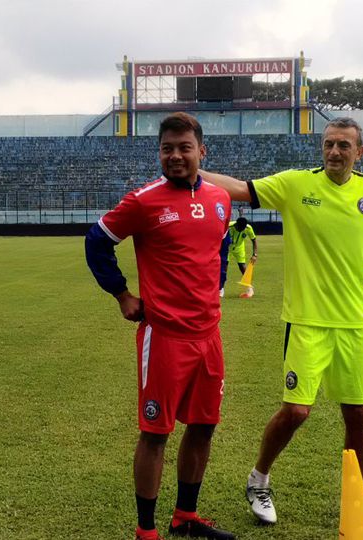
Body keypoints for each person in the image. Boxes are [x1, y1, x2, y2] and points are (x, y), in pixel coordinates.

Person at [200, 117, 363, 534]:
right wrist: (191, 167)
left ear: (361, 152)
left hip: (353, 324)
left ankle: (357, 499)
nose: (334, 152)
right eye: (328, 144)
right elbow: (240, 189)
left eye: (344, 145)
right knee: (296, 412)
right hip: (306, 321)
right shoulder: (295, 185)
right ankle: (259, 481)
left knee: (358, 414)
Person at [85, 112, 236, 540]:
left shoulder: (220, 198)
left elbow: (220, 244)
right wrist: (122, 295)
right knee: (156, 432)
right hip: (164, 337)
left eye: (184, 147)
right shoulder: (143, 201)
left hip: (209, 335)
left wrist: (218, 284)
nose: (175, 156)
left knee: (204, 426)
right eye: (167, 148)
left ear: (201, 151)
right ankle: (146, 529)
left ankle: (185, 516)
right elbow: (97, 241)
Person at [219, 211, 258, 298]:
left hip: (239, 248)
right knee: (224, 268)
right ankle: (221, 289)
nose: (241, 230)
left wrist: (255, 254)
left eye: (242, 229)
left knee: (242, 267)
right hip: (227, 248)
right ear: (236, 225)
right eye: (239, 228)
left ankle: (249, 288)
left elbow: (254, 240)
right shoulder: (228, 226)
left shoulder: (248, 228)